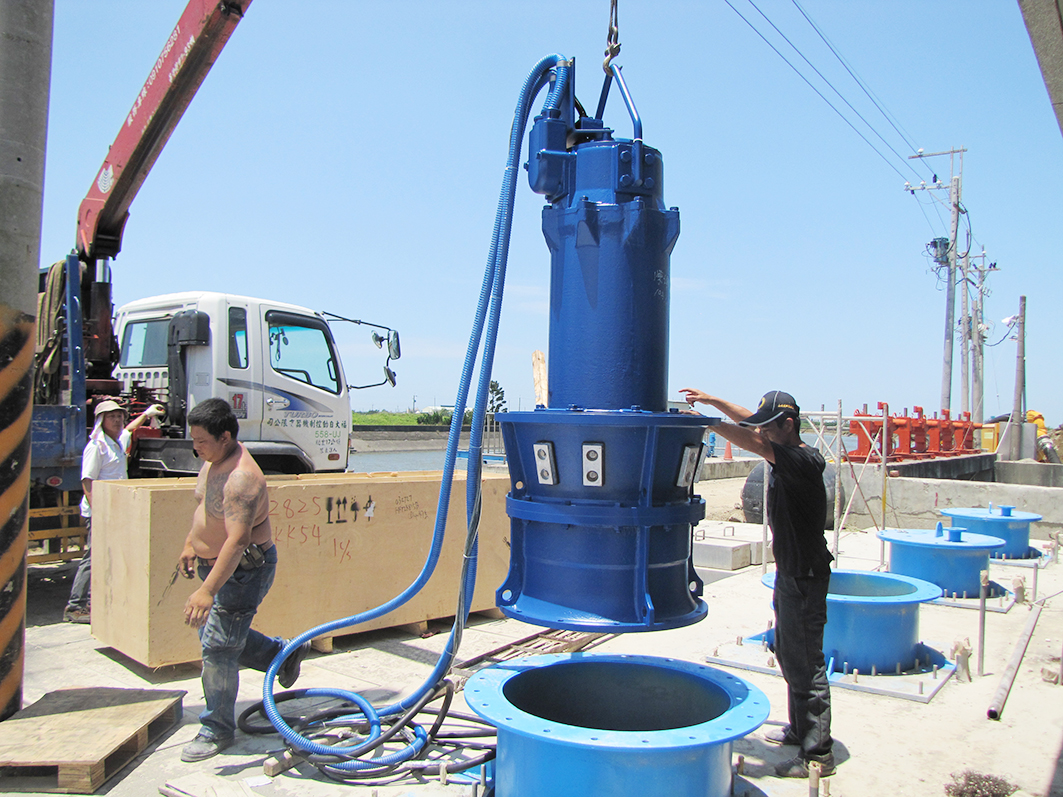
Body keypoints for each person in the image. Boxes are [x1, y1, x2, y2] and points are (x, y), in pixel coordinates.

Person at [679, 388, 835, 779]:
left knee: (808, 662)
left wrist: (708, 423)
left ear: (788, 425)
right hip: (792, 572)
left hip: (805, 575)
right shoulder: (782, 445)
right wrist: (713, 400)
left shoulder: (801, 459)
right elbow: (753, 422)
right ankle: (801, 729)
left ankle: (818, 754)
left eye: (770, 426)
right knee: (788, 652)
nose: (762, 431)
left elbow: (750, 436)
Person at [177, 398, 310, 763]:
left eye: (202, 441)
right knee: (216, 636)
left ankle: (216, 728)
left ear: (225, 436)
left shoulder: (242, 479)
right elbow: (203, 509)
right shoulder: (211, 462)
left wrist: (207, 591)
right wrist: (191, 543)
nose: (196, 447)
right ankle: (282, 655)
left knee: (218, 649)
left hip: (244, 570)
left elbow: (236, 540)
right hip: (215, 564)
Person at [63, 399, 164, 623]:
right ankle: (74, 606)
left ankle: (95, 601)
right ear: (101, 420)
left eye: (119, 416)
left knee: (107, 557)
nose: (118, 420)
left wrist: (146, 415)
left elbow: (130, 429)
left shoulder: (117, 441)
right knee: (93, 557)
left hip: (115, 510)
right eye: (112, 417)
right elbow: (87, 481)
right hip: (100, 511)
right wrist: (99, 511)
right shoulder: (96, 446)